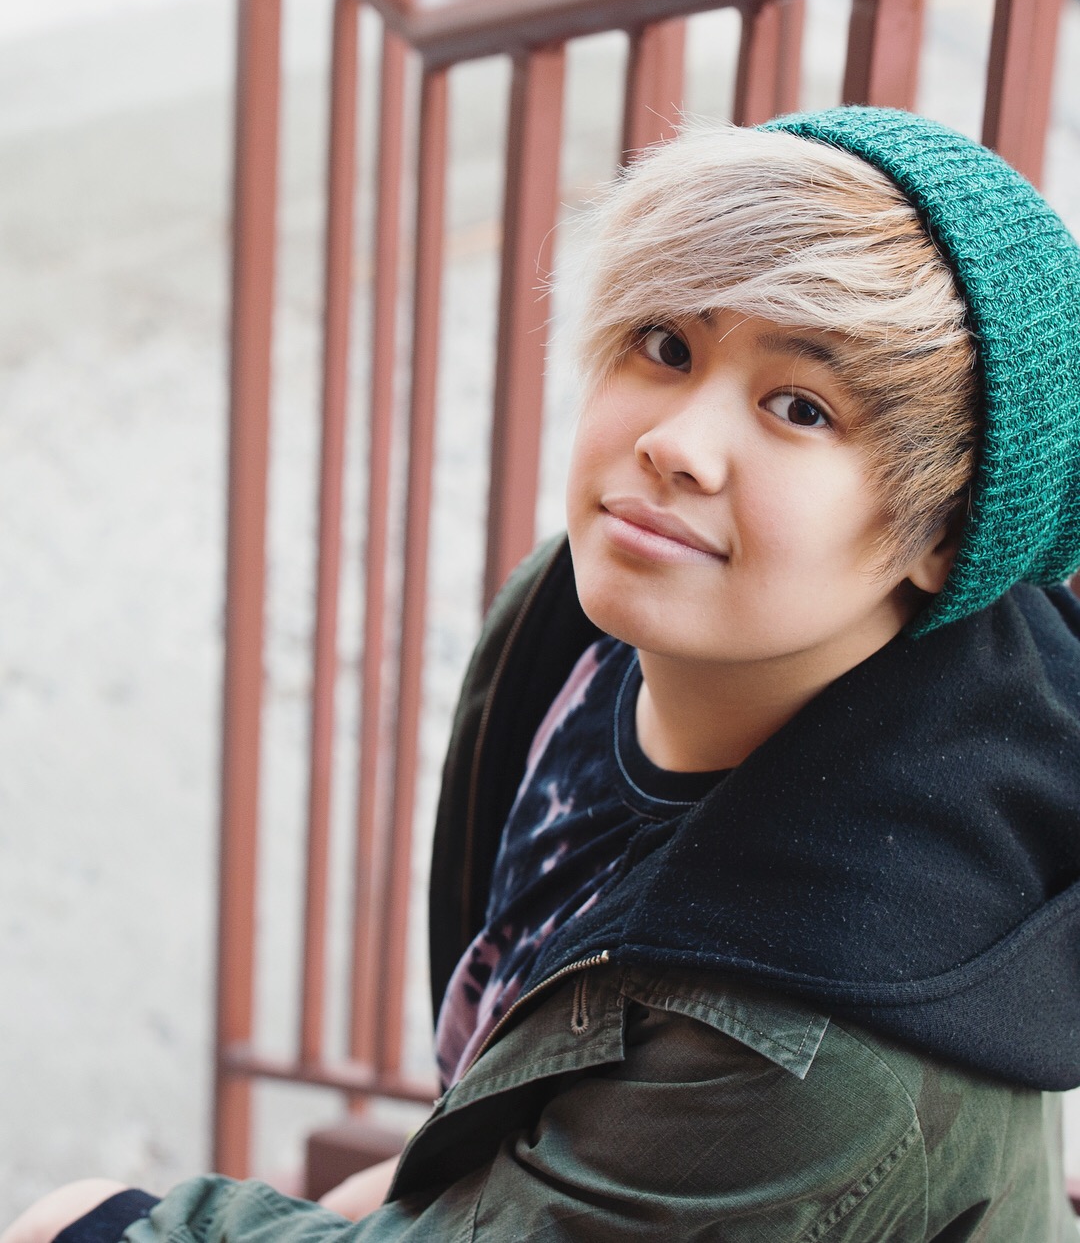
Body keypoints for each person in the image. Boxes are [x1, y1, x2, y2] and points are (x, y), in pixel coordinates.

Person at [6, 105, 1080, 1242]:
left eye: (800, 407)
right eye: (666, 346)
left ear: (942, 538)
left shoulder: (797, 1046)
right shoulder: (591, 613)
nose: (675, 444)